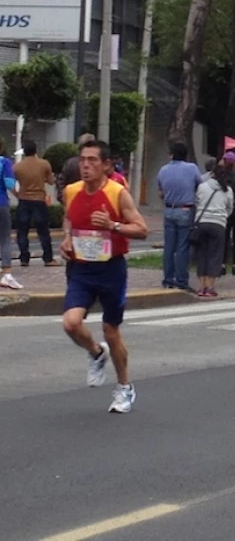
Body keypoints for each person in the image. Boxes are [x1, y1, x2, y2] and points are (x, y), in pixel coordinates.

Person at [60, 140, 149, 413]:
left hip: (111, 269)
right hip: (82, 269)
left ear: (106, 165)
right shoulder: (71, 191)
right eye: (82, 160)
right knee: (71, 324)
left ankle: (124, 387)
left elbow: (142, 229)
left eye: (92, 160)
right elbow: (69, 219)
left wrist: (113, 225)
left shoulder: (117, 193)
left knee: (111, 331)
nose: (85, 165)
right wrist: (66, 239)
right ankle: (96, 353)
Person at [157, 141, 201, 291]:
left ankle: (168, 279)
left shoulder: (163, 170)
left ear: (172, 155)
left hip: (169, 209)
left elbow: (160, 192)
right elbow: (199, 185)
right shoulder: (192, 168)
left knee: (169, 247)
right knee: (183, 247)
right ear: (186, 155)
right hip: (185, 210)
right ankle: (181, 280)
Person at [14, 140, 59, 267]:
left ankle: (24, 258)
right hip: (39, 200)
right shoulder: (44, 164)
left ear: (24, 151)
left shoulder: (18, 166)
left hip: (23, 199)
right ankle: (48, 258)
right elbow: (51, 181)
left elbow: (13, 181)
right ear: (36, 150)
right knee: (43, 231)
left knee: (22, 231)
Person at [194, 164, 234, 297]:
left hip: (202, 223)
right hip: (218, 225)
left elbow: (197, 202)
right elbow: (229, 208)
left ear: (212, 174)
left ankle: (201, 287)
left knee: (202, 254)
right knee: (215, 255)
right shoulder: (227, 190)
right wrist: (222, 217)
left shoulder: (202, 187)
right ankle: (210, 287)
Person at [0, 137, 22, 289]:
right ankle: (6, 274)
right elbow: (9, 183)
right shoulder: (4, 162)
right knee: (5, 239)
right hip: (1, 203)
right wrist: (19, 196)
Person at [57, 133, 96, 203]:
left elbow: (61, 181)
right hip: (88, 200)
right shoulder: (97, 163)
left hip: (71, 200)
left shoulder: (70, 162)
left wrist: (62, 197)